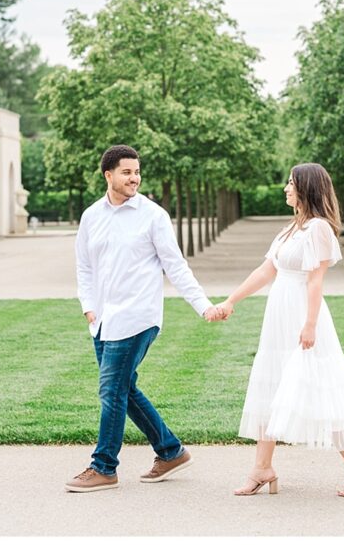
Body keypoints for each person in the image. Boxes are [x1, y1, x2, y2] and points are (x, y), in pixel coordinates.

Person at [212, 163, 344, 498]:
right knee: (270, 385)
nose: (286, 188)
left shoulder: (318, 229)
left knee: (319, 389)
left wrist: (310, 324)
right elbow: (266, 270)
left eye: (291, 183)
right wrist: (231, 301)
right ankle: (262, 468)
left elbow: (316, 280)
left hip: (303, 316)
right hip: (279, 317)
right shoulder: (290, 229)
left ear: (306, 188)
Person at [65, 144, 226, 493]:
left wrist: (203, 305)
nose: (134, 178)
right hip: (103, 320)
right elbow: (84, 266)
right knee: (124, 389)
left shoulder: (153, 216)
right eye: (126, 172)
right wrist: (88, 306)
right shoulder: (92, 216)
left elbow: (175, 266)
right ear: (108, 175)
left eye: (137, 172)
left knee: (111, 390)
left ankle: (104, 466)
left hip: (139, 317)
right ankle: (170, 451)